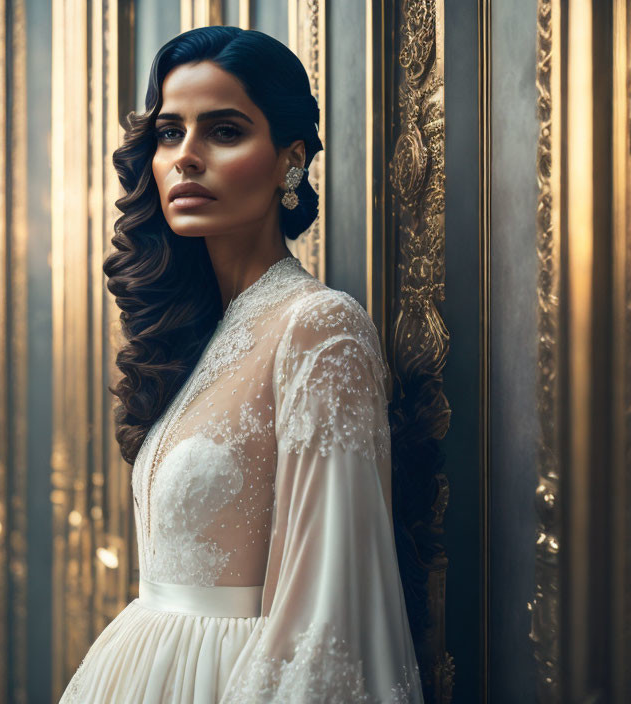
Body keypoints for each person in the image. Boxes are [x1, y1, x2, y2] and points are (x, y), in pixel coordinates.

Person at [59, 25, 423, 704]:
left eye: (224, 131)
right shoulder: (200, 329)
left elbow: (327, 614)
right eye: (169, 134)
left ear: (289, 160)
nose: (186, 157)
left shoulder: (318, 330)